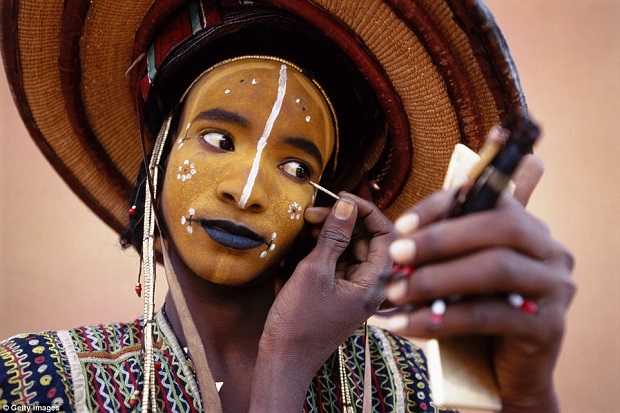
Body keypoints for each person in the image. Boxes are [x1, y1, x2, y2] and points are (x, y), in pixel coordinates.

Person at [0, 1, 574, 412]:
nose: (246, 192)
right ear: (158, 157)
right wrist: (284, 364)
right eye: (219, 141)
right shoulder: (31, 384)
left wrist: (526, 397)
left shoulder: (414, 392)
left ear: (331, 205)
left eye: (298, 168)